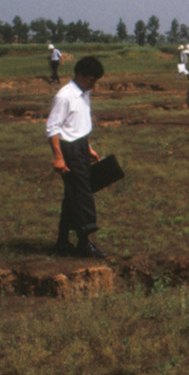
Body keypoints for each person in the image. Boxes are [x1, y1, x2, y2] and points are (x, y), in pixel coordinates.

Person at [47, 56, 107, 258]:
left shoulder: (84, 93)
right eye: (91, 80)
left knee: (73, 195)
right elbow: (53, 128)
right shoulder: (65, 96)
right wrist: (59, 157)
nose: (93, 85)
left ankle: (62, 241)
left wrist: (88, 147)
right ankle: (84, 242)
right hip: (68, 149)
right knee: (82, 195)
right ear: (80, 75)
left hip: (80, 145)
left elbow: (77, 124)